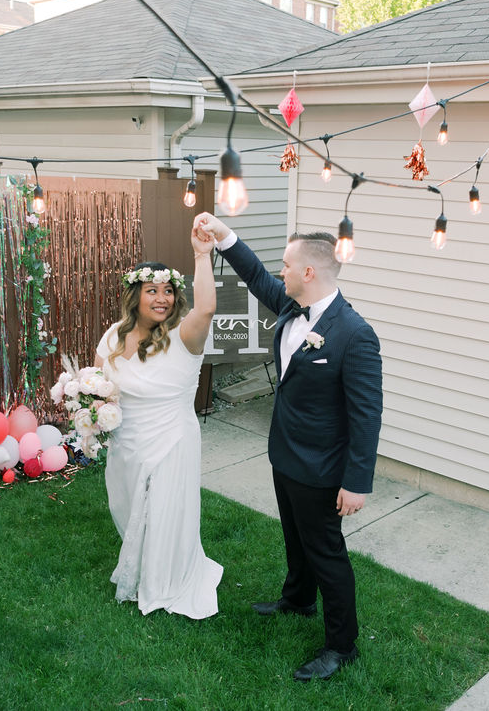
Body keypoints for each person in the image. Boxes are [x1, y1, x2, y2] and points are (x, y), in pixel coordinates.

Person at [192, 212, 382, 680]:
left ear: (309, 272)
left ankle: (342, 646)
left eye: (287, 264)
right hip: (286, 455)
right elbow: (255, 274)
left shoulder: (354, 335)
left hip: (322, 468)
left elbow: (366, 416)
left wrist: (356, 484)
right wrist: (223, 235)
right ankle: (298, 600)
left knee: (327, 554)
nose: (281, 271)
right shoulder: (293, 305)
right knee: (294, 538)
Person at [93, 221, 222, 619]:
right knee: (131, 508)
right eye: (153, 291)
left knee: (167, 510)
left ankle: (165, 581)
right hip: (126, 439)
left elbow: (207, 308)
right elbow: (98, 383)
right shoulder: (115, 335)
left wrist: (202, 255)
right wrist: (88, 407)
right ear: (136, 295)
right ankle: (144, 562)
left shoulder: (186, 336)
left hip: (170, 438)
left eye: (168, 291)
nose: (162, 298)